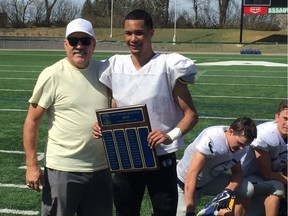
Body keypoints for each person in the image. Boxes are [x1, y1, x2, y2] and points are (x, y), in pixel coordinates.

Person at [93, 9, 198, 216]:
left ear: (151, 32)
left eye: (139, 33)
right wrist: (105, 125)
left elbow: (191, 115)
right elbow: (115, 105)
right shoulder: (114, 65)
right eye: (128, 33)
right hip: (127, 155)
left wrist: (169, 135)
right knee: (125, 210)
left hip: (160, 156)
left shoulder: (168, 65)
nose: (133, 39)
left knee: (164, 211)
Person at [23, 18, 113, 216]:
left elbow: (117, 108)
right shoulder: (52, 74)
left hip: (100, 169)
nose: (79, 46)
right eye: (73, 41)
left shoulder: (104, 72)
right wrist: (31, 165)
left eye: (85, 40)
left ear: (94, 44)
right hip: (63, 169)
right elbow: (32, 121)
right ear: (65, 44)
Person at [176, 117, 258, 216]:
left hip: (210, 179)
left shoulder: (242, 146)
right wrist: (190, 211)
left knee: (247, 189)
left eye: (244, 145)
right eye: (240, 143)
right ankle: (209, 211)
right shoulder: (212, 139)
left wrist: (228, 191)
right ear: (231, 131)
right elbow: (191, 175)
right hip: (186, 183)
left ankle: (213, 208)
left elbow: (238, 172)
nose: (241, 148)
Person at [240, 99, 287, 216]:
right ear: (277, 117)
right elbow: (266, 174)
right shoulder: (266, 134)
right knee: (278, 187)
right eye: (285, 119)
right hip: (247, 179)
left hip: (265, 180)